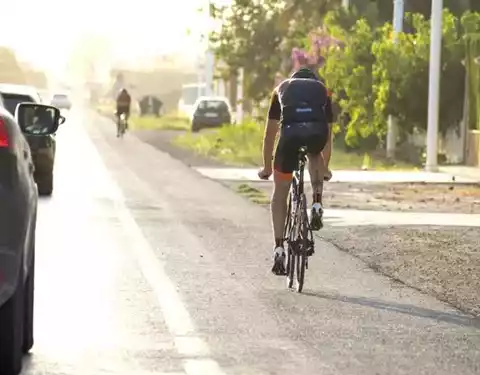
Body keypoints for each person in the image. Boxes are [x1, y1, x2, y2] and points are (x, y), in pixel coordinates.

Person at [258, 67, 334, 275]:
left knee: (280, 193)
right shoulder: (323, 90)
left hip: (289, 138)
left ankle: (279, 247)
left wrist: (266, 167)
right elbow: (328, 136)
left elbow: (270, 134)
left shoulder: (281, 89)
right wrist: (325, 167)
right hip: (316, 135)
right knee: (315, 154)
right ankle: (317, 202)